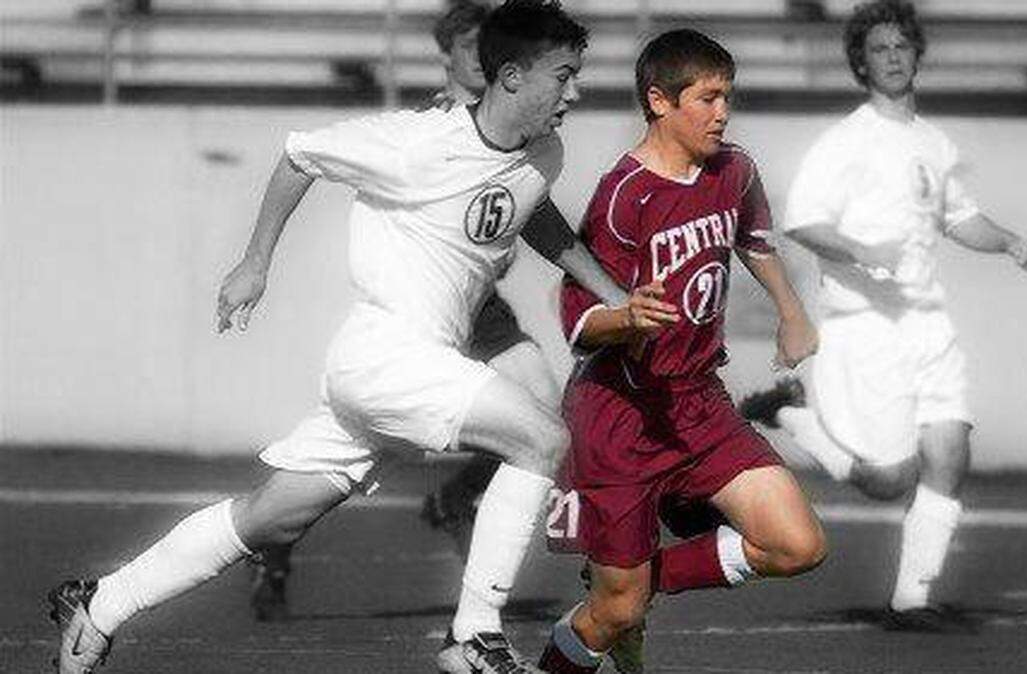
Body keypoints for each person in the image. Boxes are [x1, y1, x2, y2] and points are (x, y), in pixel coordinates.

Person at [46, 3, 647, 673]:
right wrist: (254, 264)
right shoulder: (414, 143)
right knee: (542, 436)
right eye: (563, 76)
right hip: (386, 354)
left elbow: (531, 209)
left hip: (412, 367)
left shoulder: (543, 154)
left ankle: (102, 604)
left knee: (271, 519)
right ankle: (475, 636)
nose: (575, 92)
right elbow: (299, 155)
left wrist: (615, 296)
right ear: (511, 76)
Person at [245, 0, 563, 623]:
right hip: (420, 312)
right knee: (357, 444)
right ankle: (274, 538)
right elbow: (321, 163)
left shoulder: (519, 133)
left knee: (544, 406)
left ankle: (457, 500)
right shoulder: (426, 127)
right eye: (469, 46)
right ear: (447, 54)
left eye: (489, 44)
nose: (482, 57)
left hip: (479, 308)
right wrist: (256, 262)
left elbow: (521, 199)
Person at [739, 0, 1027, 634]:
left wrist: (1008, 240)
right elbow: (804, 222)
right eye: (880, 49)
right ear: (861, 63)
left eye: (902, 46)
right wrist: (862, 250)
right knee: (888, 478)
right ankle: (792, 416)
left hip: (927, 323)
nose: (894, 57)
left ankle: (913, 601)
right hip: (865, 325)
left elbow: (960, 218)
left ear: (917, 54)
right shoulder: (845, 142)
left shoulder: (934, 143)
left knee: (950, 450)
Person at [534, 29, 828, 674]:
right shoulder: (622, 195)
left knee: (797, 544)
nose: (723, 113)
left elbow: (753, 240)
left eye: (728, 97)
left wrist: (791, 312)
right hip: (620, 416)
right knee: (614, 614)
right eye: (707, 98)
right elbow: (579, 323)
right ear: (659, 101)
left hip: (699, 403)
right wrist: (626, 318)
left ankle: (636, 587)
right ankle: (609, 611)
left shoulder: (733, 169)